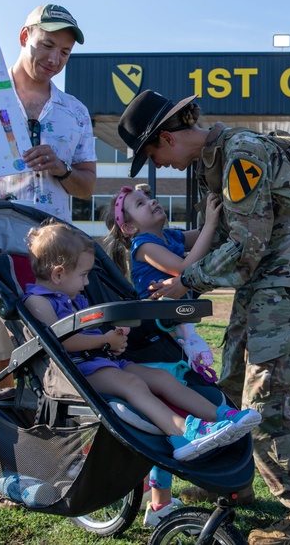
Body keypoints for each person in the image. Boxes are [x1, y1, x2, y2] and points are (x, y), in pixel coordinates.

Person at [117, 90, 290, 545]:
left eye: (153, 154)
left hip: (286, 288)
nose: (161, 166)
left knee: (265, 403)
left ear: (166, 137)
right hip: (264, 288)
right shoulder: (220, 160)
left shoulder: (241, 155)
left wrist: (186, 282)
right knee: (230, 390)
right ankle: (237, 484)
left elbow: (247, 247)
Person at [21, 222, 259, 462]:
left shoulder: (75, 298)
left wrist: (114, 334)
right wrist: (105, 340)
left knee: (162, 378)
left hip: (102, 360)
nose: (87, 283)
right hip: (75, 371)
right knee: (133, 384)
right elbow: (61, 343)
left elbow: (91, 333)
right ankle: (181, 433)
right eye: (83, 275)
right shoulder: (37, 302)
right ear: (58, 274)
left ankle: (222, 416)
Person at [0, 4, 97, 390]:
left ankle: (46, 442)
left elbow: (87, 185)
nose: (54, 59)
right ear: (25, 37)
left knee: (60, 344)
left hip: (51, 246)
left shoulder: (75, 112)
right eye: (47, 45)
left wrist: (61, 169)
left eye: (65, 53)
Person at [101, 185, 226, 525]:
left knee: (171, 416)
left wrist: (222, 210)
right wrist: (213, 224)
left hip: (170, 339)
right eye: (140, 204)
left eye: (150, 197)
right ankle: (159, 503)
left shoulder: (168, 235)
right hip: (151, 344)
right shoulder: (145, 246)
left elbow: (200, 236)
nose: (152, 201)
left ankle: (159, 504)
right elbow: (185, 266)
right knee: (163, 425)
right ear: (129, 228)